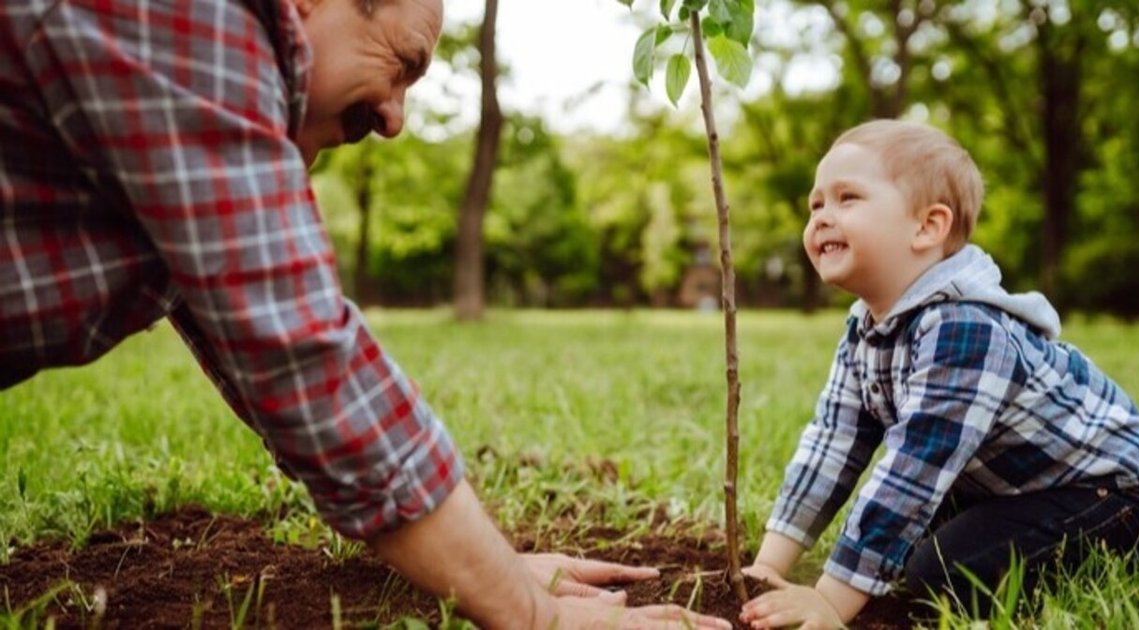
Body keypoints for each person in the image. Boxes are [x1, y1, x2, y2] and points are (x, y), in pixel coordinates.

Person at [0, 1, 731, 627]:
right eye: (403, 65)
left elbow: (275, 361)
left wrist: (492, 569)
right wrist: (528, 611)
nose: (394, 119)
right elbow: (306, 358)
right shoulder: (188, 19)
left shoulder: (191, 102)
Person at [738, 119, 1139, 629]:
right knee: (903, 547)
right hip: (1010, 476)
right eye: (816, 204)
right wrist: (768, 567)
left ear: (927, 227)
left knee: (943, 572)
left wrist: (830, 601)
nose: (821, 217)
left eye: (847, 198)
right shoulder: (866, 327)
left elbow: (913, 473)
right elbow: (832, 444)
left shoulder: (964, 331)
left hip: (1106, 483)